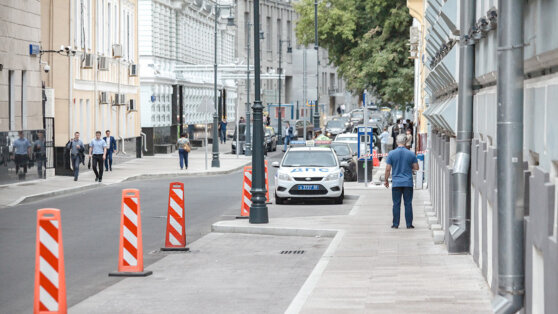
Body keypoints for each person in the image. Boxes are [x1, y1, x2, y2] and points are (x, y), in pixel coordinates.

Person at [385, 134, 419, 229]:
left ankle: (395, 224)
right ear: (405, 142)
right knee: (408, 203)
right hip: (408, 182)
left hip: (396, 183)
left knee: (396, 204)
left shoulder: (391, 154)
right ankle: (409, 224)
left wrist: (386, 180)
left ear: (396, 142)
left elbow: (388, 169)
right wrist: (408, 167)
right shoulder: (411, 154)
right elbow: (416, 167)